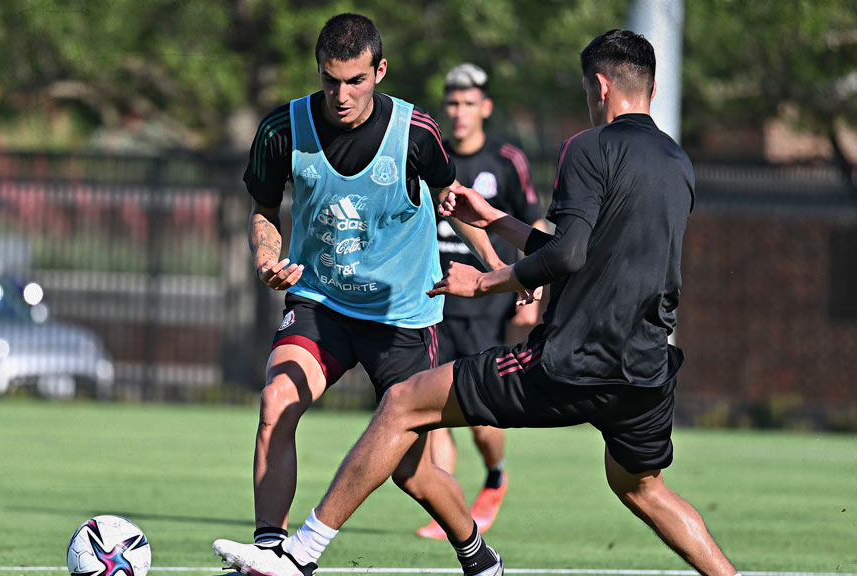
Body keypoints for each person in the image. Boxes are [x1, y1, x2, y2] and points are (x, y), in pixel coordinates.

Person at [278, 29, 740, 576]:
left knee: (402, 402)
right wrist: (496, 220)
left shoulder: (588, 147)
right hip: (645, 371)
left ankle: (299, 554)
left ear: (599, 85)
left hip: (574, 361)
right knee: (641, 487)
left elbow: (567, 255)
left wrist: (486, 282)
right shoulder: (677, 162)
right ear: (654, 88)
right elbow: (587, 254)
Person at [212, 13, 516, 576]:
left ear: (379, 70)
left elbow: (454, 203)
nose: (342, 94)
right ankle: (273, 553)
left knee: (412, 472)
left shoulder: (416, 133)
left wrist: (500, 269)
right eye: (331, 81)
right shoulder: (282, 130)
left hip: (402, 315)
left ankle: (478, 556)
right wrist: (264, 255)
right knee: (277, 401)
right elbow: (263, 212)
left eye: (356, 80)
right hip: (321, 301)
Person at [417, 62, 547, 540]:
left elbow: (534, 227)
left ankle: (495, 475)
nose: (459, 111)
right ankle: (445, 505)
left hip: (487, 304)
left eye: (469, 103)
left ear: (485, 107)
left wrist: (532, 290)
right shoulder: (432, 156)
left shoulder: (507, 159)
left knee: (476, 415)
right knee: (429, 409)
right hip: (434, 299)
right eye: (452, 102)